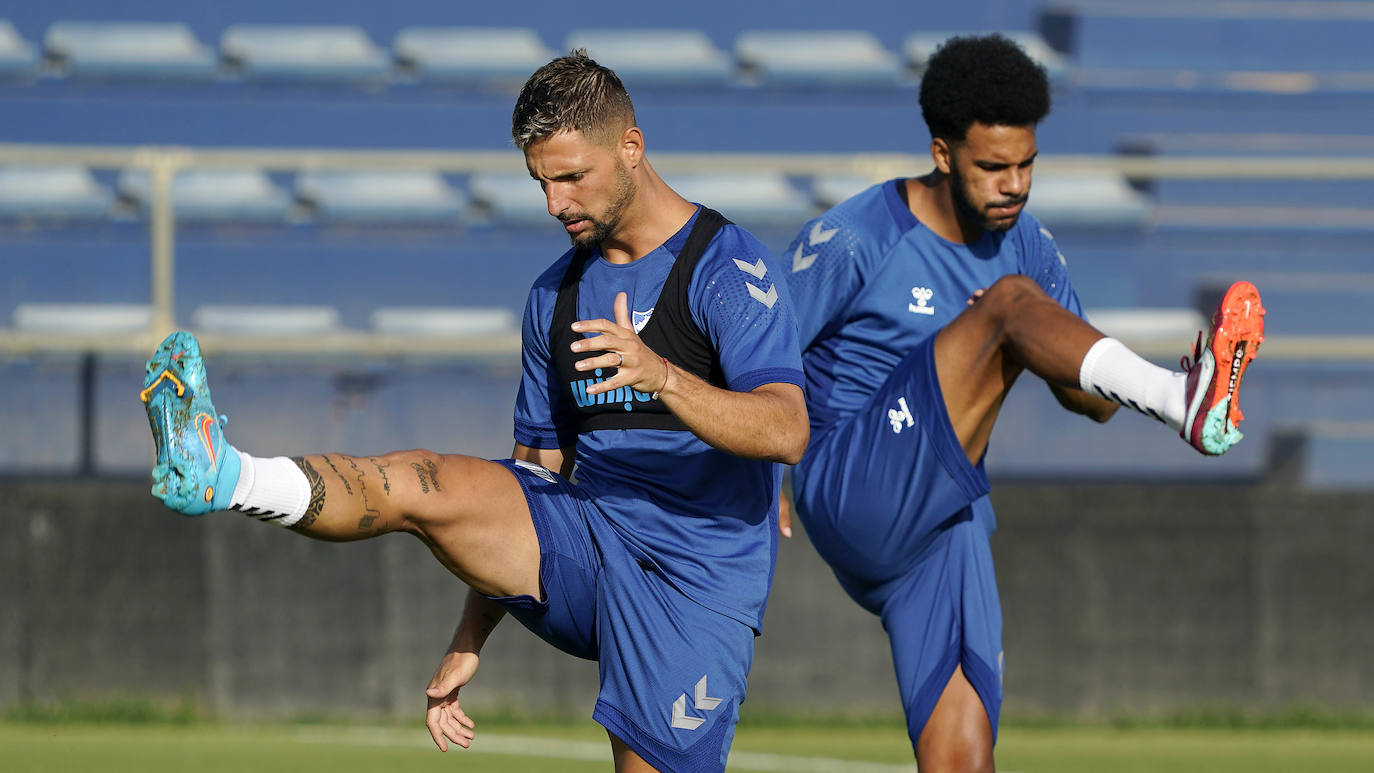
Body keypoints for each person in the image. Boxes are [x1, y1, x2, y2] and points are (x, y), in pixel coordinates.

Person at [140, 51, 807, 773]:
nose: (555, 204)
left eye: (571, 176)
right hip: (587, 538)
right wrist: (470, 633)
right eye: (541, 183)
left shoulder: (728, 268)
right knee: (424, 481)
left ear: (631, 148)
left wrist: (662, 375)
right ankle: (225, 473)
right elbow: (530, 483)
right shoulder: (554, 296)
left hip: (693, 580)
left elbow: (786, 428)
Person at [780, 34, 1264, 771]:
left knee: (965, 755)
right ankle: (1183, 403)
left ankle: (1180, 396)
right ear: (943, 154)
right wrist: (754, 476)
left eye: (1027, 164)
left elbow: (1089, 401)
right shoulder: (855, 236)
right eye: (992, 167)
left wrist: (1129, 379)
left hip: (948, 517)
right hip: (853, 481)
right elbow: (756, 355)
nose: (1014, 184)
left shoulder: (1029, 245)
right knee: (1008, 306)